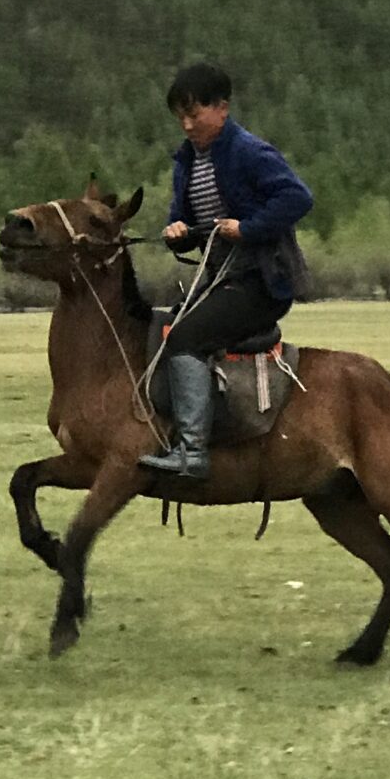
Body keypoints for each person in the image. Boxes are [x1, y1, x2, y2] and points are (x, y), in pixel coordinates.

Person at [139, 61, 314, 482]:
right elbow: (185, 223)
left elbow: (297, 197)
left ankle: (194, 452)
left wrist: (248, 228)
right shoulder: (187, 163)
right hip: (221, 279)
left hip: (259, 283)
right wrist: (177, 233)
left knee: (183, 338)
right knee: (159, 329)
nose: (186, 124)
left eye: (193, 114)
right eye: (179, 116)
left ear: (222, 108)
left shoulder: (250, 152)